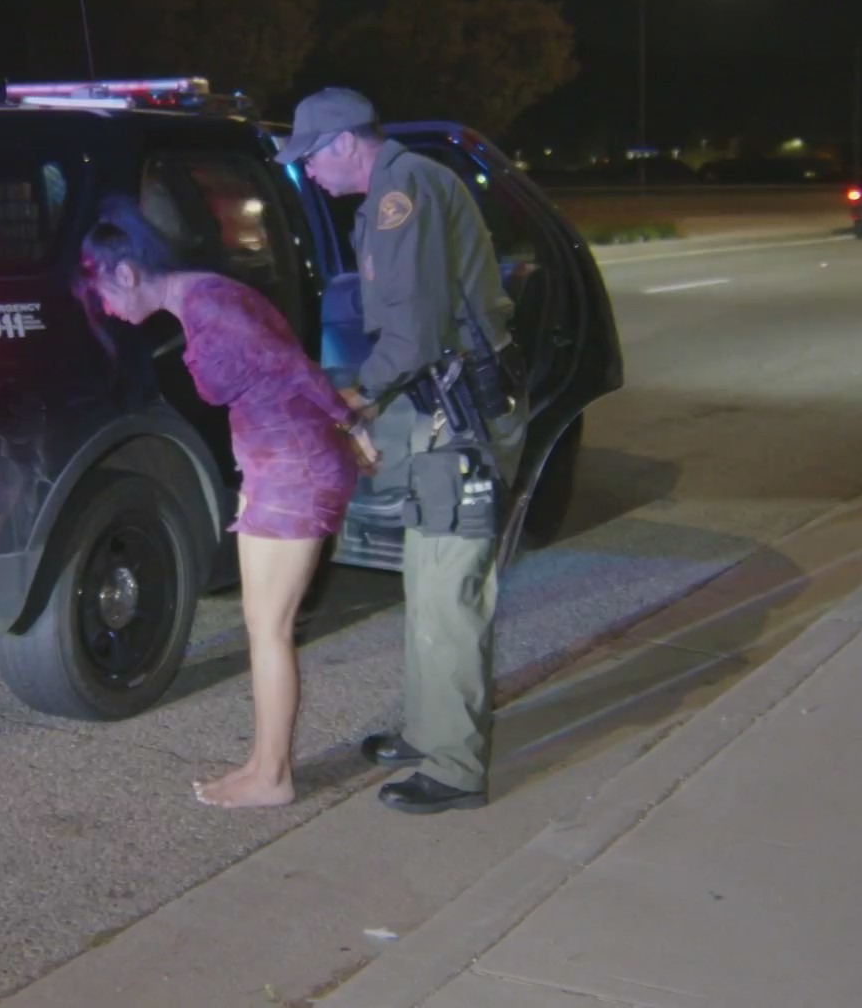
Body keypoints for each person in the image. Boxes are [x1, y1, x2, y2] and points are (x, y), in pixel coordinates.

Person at [77, 196, 381, 809]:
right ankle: (263, 764)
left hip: (294, 468)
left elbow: (291, 368)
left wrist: (346, 424)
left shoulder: (210, 307)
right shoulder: (209, 296)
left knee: (269, 628)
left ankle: (273, 777)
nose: (107, 308)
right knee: (260, 624)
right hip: (278, 464)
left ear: (126, 273)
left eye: (103, 294)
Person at [275, 87, 529, 815]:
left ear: (348, 141)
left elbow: (413, 336)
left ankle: (453, 767)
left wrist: (355, 401)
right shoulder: (391, 193)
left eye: (311, 157)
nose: (308, 174)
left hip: (461, 417)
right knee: (426, 577)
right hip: (436, 413)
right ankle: (429, 729)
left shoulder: (403, 192)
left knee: (451, 592)